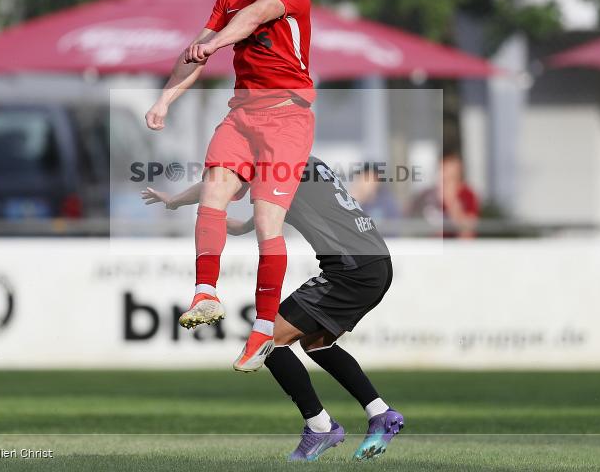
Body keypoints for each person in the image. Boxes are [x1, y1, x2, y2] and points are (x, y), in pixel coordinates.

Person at [142, 156, 404, 461]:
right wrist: (228, 221)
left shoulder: (275, 164)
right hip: (374, 264)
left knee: (267, 340)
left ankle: (320, 426)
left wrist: (175, 200)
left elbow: (220, 183)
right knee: (316, 343)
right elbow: (262, 215)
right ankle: (379, 413)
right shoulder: (305, 161)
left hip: (351, 269)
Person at [145, 0, 316, 371]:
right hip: (242, 115)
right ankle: (205, 293)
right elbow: (194, 51)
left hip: (287, 117)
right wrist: (165, 100)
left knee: (265, 222)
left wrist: (218, 42)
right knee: (214, 191)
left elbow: (255, 17)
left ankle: (263, 330)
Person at [407, 148, 480, 238]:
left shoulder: (468, 194)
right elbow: (411, 221)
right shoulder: (427, 194)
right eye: (443, 167)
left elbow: (467, 234)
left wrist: (451, 200)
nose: (446, 171)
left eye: (450, 167)